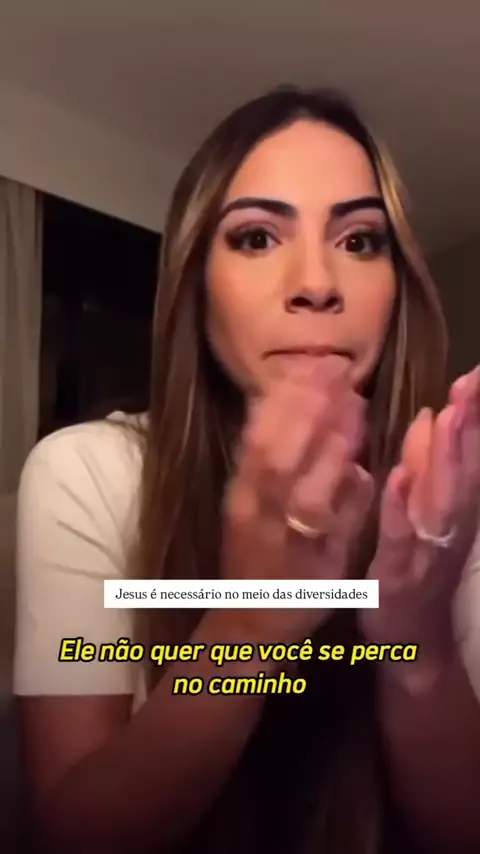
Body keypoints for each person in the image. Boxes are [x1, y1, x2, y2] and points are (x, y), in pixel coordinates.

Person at [13, 86, 480, 854]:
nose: (317, 283)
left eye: (360, 240)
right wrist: (250, 619)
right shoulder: (89, 473)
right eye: (258, 237)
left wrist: (420, 636)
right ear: (195, 285)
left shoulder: (445, 505)